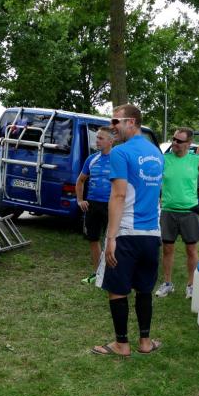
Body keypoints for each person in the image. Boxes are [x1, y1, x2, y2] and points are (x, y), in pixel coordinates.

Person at [91, 104, 164, 357]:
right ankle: (145, 342)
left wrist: (110, 237)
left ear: (131, 122)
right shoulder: (157, 153)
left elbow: (119, 195)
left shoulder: (120, 153)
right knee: (144, 288)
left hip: (127, 231)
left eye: (116, 122)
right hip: (152, 234)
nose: (112, 127)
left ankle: (122, 344)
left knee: (117, 289)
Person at [155, 127, 199, 298]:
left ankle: (191, 285)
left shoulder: (195, 159)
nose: (174, 143)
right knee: (167, 249)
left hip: (189, 212)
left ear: (189, 143)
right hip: (168, 211)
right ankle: (167, 283)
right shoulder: (164, 159)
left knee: (191, 250)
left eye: (179, 141)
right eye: (173, 139)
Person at [76, 126, 115, 284]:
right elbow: (80, 180)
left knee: (112, 240)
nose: (97, 141)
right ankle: (98, 273)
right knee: (93, 239)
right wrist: (80, 200)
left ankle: (112, 275)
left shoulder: (118, 159)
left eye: (100, 138)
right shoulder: (91, 159)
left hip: (111, 205)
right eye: (96, 137)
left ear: (111, 141)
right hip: (92, 204)